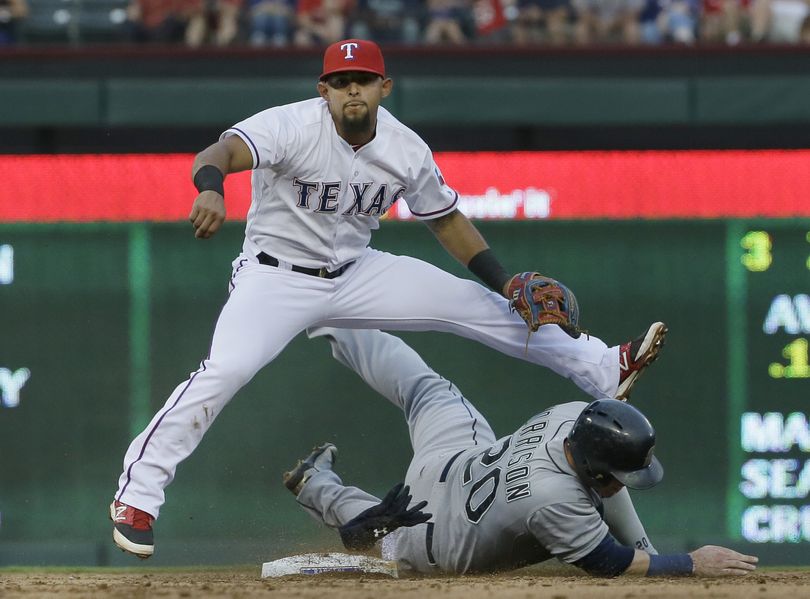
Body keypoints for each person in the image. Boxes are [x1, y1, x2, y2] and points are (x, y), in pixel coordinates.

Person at [109, 38, 668, 559]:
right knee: (224, 371)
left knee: (480, 305)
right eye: (341, 79)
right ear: (322, 89)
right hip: (275, 278)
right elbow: (220, 150)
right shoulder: (290, 126)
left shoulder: (404, 147)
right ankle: (137, 495)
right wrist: (210, 186)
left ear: (385, 88)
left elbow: (445, 219)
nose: (353, 89)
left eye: (364, 79)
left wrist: (504, 279)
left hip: (358, 271)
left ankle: (601, 364)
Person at [284, 327, 759, 577]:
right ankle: (316, 484)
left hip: (451, 462)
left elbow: (605, 481)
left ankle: (334, 320)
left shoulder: (574, 415)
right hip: (435, 542)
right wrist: (686, 563)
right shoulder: (553, 499)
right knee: (385, 535)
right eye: (615, 472)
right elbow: (608, 563)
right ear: (593, 466)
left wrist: (647, 551)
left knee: (424, 389)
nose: (621, 483)